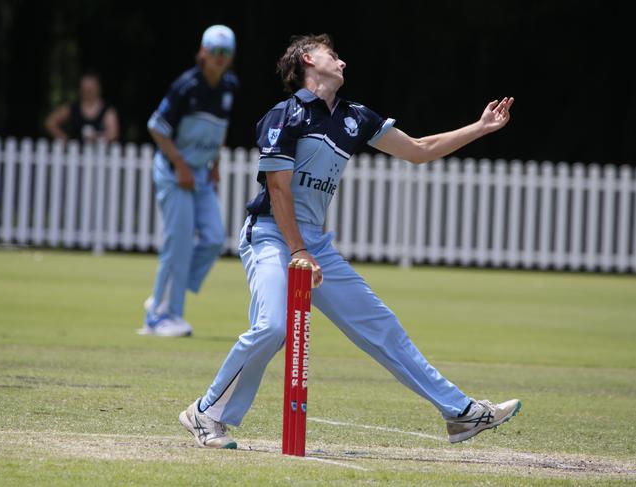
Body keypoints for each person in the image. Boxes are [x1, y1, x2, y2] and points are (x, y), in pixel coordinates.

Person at [178, 34, 520, 449]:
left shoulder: (354, 117)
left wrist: (481, 128)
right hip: (270, 234)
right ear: (308, 59)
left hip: (315, 247)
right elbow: (278, 188)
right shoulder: (285, 115)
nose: (342, 61)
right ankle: (206, 412)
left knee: (383, 329)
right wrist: (298, 250)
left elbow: (418, 150)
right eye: (333, 54)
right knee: (271, 326)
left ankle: (461, 414)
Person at [139, 25, 239, 337]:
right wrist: (181, 165)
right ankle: (160, 316)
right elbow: (156, 127)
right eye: (215, 52)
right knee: (178, 242)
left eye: (226, 53)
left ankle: (166, 293)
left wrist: (216, 164)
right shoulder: (186, 86)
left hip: (201, 172)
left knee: (213, 238)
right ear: (203, 53)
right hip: (173, 171)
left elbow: (220, 127)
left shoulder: (229, 86)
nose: (220, 58)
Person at [44, 72, 119, 143]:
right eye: (85, 89)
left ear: (98, 88)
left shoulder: (107, 110)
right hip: (75, 152)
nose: (88, 92)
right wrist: (64, 138)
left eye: (90, 89)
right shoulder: (73, 107)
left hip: (99, 153)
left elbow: (113, 133)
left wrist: (97, 137)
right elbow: (50, 122)